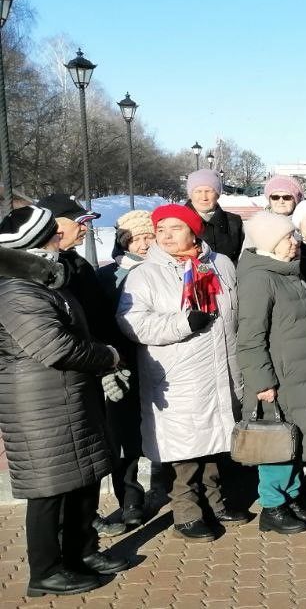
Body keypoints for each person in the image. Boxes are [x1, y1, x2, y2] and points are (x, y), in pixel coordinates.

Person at [0, 207, 132, 597]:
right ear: (37, 242)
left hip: (68, 395)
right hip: (36, 402)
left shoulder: (42, 280)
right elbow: (53, 346)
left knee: (82, 479)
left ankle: (80, 553)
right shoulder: (15, 288)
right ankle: (46, 571)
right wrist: (107, 356)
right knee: (48, 490)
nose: (62, 236)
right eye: (53, 233)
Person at [116, 203, 247, 542]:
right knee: (185, 451)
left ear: (194, 231)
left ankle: (216, 503)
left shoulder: (220, 264)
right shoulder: (145, 274)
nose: (166, 236)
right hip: (179, 375)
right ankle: (186, 513)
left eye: (175, 228)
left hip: (221, 368)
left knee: (217, 441)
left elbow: (237, 313)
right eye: (161, 230)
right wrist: (182, 323)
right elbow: (131, 322)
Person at [235, 212, 306, 533]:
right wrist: (262, 382)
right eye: (288, 238)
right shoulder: (260, 279)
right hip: (279, 380)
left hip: (300, 376)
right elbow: (250, 338)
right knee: (276, 444)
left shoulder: (286, 272)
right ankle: (272, 506)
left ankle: (292, 496)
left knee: (295, 440)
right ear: (271, 243)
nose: (294, 243)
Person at [39, 194, 143, 534]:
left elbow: (98, 318)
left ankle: (85, 519)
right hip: (59, 378)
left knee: (92, 447)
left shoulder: (78, 265)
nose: (86, 229)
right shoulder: (39, 272)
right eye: (80, 223)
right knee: (68, 454)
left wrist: (112, 357)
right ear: (56, 225)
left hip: (95, 368)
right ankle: (68, 528)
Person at [95, 209, 155, 531]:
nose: (145, 243)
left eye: (149, 236)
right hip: (123, 367)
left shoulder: (165, 270)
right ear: (125, 240)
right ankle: (130, 498)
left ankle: (171, 484)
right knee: (125, 435)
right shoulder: (106, 277)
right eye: (138, 237)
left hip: (161, 365)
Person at [183, 170, 244, 264]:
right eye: (198, 191)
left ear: (217, 194)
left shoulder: (234, 222)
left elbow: (241, 259)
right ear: (190, 195)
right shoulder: (176, 221)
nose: (204, 197)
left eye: (209, 191)